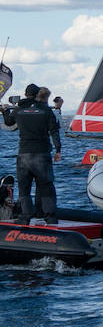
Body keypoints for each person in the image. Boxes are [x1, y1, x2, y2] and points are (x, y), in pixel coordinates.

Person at [9, 85, 62, 225]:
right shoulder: (46, 110)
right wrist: (58, 150)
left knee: (24, 187)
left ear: (25, 94)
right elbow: (54, 132)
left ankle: (25, 216)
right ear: (38, 94)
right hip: (42, 153)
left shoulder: (19, 109)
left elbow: (9, 122)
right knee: (46, 186)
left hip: (24, 154)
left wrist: (3, 111)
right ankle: (49, 216)